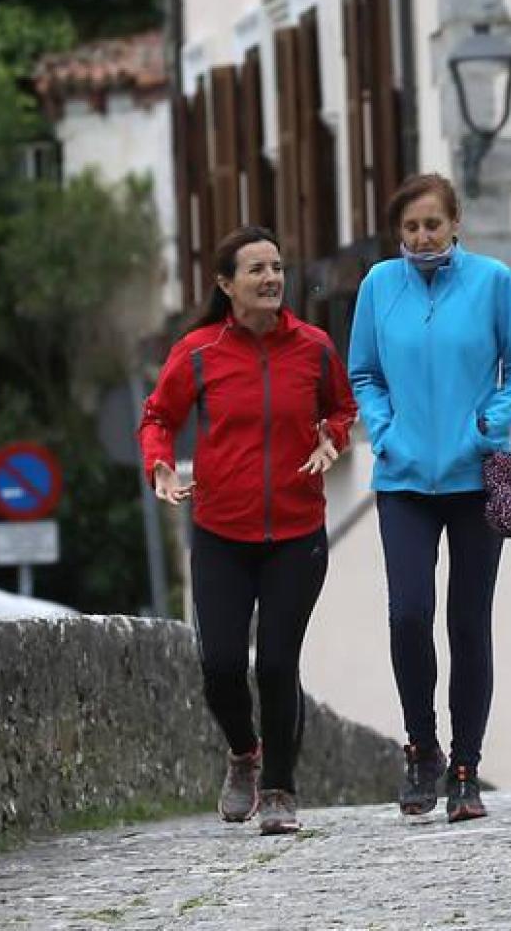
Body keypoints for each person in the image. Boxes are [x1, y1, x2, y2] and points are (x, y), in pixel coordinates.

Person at [138, 225, 357, 836]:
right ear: (225, 283)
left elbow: (343, 407)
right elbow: (158, 415)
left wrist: (333, 437)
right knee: (221, 665)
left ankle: (282, 790)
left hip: (296, 532)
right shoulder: (199, 351)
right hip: (219, 533)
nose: (270, 279)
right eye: (256, 269)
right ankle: (244, 753)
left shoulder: (313, 347)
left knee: (278, 663)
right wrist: (158, 460)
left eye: (277, 268)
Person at [348, 172, 511, 823]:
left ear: (456, 223)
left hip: (472, 476)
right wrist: (383, 430)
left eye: (433, 223)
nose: (423, 236)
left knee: (467, 622)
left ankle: (465, 769)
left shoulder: (491, 282)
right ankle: (421, 749)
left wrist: (493, 422)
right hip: (402, 478)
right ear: (397, 233)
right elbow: (364, 373)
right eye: (410, 227)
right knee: (408, 613)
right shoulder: (378, 287)